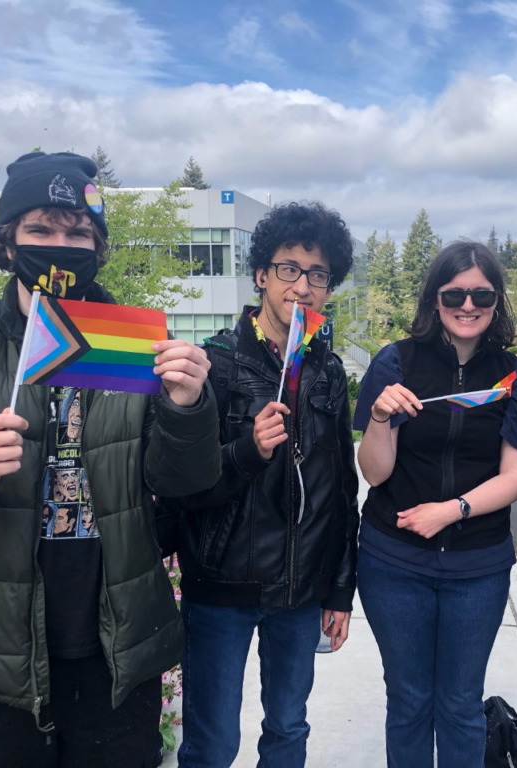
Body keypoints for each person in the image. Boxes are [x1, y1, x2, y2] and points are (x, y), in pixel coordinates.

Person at [0, 151, 221, 768]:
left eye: (77, 232)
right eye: (40, 230)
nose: (60, 246)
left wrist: (188, 408)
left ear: (99, 246)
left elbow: (184, 483)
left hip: (116, 655)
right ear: (8, 242)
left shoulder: (134, 345)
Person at [173, 202, 359, 768]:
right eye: (289, 269)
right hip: (221, 589)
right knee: (211, 744)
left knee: (287, 731)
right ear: (260, 275)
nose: (302, 286)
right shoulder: (216, 365)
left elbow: (342, 490)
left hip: (300, 594)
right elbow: (184, 487)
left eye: (318, 274)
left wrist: (339, 589)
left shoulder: (326, 371)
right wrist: (248, 451)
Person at [353, 241, 517, 768]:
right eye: (454, 292)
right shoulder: (396, 361)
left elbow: (514, 478)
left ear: (496, 300)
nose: (468, 304)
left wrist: (451, 510)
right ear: (434, 299)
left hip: (476, 567)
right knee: (410, 701)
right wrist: (379, 417)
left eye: (481, 293)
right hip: (393, 562)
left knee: (460, 705)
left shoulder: (514, 378)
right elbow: (374, 472)